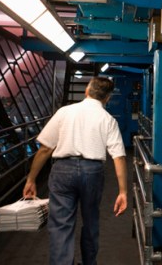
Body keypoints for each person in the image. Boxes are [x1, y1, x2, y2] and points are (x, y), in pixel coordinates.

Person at [23, 77, 128, 265]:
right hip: (93, 172)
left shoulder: (65, 112)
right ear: (107, 98)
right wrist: (123, 192)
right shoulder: (108, 119)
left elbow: (45, 148)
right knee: (90, 221)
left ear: (87, 91)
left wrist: (31, 179)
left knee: (61, 225)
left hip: (62, 170)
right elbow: (118, 157)